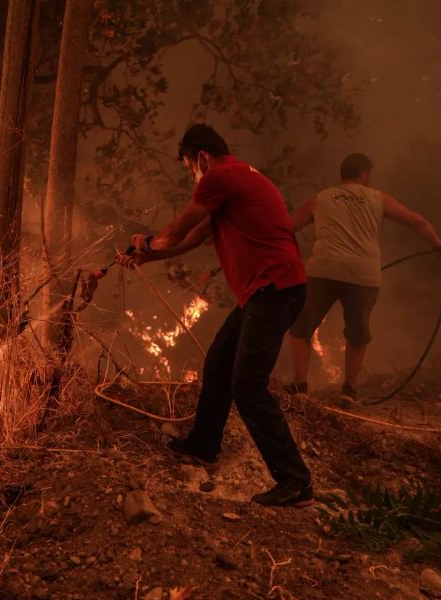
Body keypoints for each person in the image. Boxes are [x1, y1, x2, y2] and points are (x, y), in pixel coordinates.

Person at [119, 124, 313, 507]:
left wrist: (144, 241)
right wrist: (150, 254)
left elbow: (175, 232)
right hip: (269, 291)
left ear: (202, 158)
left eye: (189, 168)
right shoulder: (237, 179)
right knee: (220, 361)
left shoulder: (220, 176)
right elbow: (190, 240)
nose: (192, 177)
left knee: (248, 385)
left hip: (274, 290)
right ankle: (204, 446)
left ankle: (296, 481)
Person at [286, 153, 441, 401]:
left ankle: (299, 388)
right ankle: (349, 391)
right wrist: (439, 247)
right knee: (357, 333)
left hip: (323, 271)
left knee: (302, 328)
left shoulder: (320, 199)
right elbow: (417, 221)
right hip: (363, 275)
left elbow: (286, 229)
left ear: (343, 174)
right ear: (365, 174)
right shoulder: (378, 198)